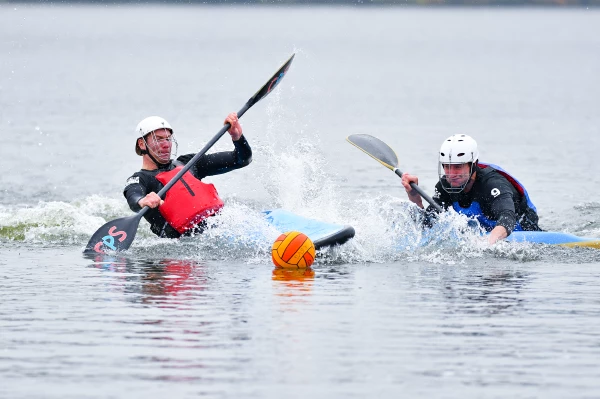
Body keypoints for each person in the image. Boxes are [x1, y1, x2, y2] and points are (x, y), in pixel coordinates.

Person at [123, 113, 252, 238]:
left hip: (219, 231)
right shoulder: (140, 179)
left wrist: (237, 137)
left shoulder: (189, 163)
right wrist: (142, 201)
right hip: (183, 247)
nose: (166, 144)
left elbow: (242, 159)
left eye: (168, 138)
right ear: (141, 144)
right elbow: (133, 197)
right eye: (158, 139)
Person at [401, 134, 541, 245]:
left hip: (523, 230)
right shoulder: (445, 187)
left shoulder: (493, 184)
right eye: (447, 166)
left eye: (458, 166)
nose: (451, 174)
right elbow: (426, 226)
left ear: (473, 165)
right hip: (485, 234)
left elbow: (507, 217)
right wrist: (414, 195)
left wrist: (487, 243)